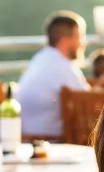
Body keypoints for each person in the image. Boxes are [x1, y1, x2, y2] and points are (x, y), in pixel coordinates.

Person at [15, 10, 90, 139]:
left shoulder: (40, 58)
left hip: (27, 136)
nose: (83, 43)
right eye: (79, 37)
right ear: (66, 40)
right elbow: (89, 102)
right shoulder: (62, 65)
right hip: (50, 141)